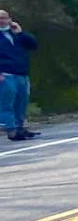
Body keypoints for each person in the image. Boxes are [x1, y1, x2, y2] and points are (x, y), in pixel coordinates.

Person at [0, 8, 38, 140]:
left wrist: (21, 33)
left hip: (21, 73)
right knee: (7, 102)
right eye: (0, 18)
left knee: (21, 101)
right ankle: (11, 129)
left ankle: (20, 127)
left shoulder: (15, 34)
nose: (3, 21)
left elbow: (33, 45)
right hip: (5, 74)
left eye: (5, 18)